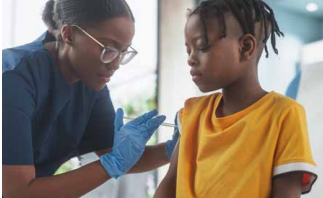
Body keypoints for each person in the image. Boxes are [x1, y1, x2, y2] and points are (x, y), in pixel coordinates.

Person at [2, 0, 178, 197]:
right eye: (108, 49)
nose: (116, 64)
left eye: (123, 51)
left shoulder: (89, 82)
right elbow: (15, 192)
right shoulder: (13, 79)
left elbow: (119, 155)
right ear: (69, 35)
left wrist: (174, 148)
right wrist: (112, 164)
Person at [154, 0, 318, 197]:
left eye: (202, 47)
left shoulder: (283, 114)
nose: (190, 58)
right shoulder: (192, 114)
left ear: (246, 47)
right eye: (188, 49)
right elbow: (168, 188)